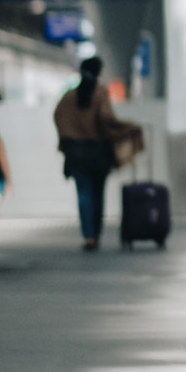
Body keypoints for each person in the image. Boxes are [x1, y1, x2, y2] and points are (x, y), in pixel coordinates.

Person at [53, 56, 129, 250]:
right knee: (97, 194)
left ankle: (88, 236)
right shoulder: (100, 94)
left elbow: (58, 116)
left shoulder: (69, 97)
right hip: (97, 152)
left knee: (83, 194)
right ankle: (95, 234)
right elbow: (107, 120)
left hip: (76, 152)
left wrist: (68, 137)